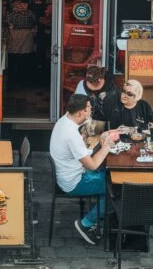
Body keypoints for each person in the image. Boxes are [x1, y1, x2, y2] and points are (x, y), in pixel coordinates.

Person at [49, 93, 116, 245]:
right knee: (115, 189)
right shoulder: (71, 134)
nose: (91, 111)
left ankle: (102, 218)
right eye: (89, 109)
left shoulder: (65, 119)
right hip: (74, 182)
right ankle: (86, 224)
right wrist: (106, 146)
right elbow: (92, 165)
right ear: (80, 113)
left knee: (109, 174)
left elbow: (83, 142)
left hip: (69, 171)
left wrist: (100, 134)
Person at [5, 0, 36, 87]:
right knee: (13, 58)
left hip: (27, 38)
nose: (20, 6)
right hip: (14, 37)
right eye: (17, 4)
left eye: (23, 4)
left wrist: (25, 11)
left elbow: (34, 20)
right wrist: (15, 12)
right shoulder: (11, 14)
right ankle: (13, 81)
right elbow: (7, 21)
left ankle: (24, 81)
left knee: (26, 59)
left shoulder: (30, 13)